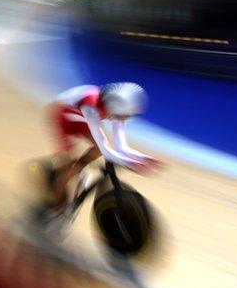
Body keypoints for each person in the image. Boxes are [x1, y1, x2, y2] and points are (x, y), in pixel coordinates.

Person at [47, 82, 162, 212]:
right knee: (68, 170)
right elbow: (106, 150)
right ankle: (56, 203)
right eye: (121, 116)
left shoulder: (115, 107)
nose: (123, 120)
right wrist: (133, 164)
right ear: (113, 108)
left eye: (126, 117)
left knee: (96, 150)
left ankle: (80, 167)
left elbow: (122, 147)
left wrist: (145, 159)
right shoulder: (90, 106)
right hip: (62, 118)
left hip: (80, 117)